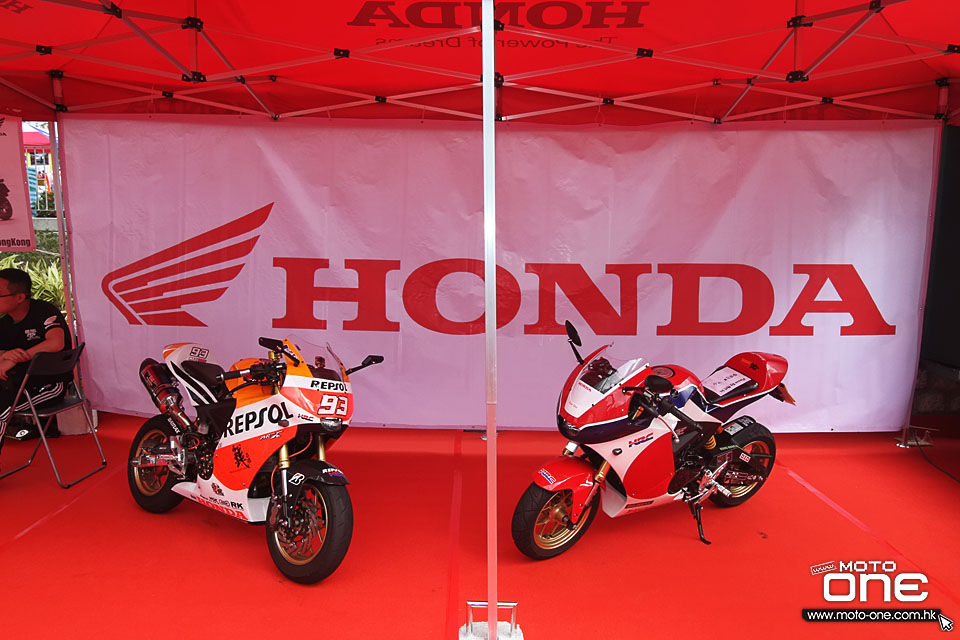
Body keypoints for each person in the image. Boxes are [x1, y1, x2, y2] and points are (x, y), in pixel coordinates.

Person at [0, 268, 72, 456]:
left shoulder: (43, 311)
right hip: (14, 383)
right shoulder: (4, 323)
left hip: (48, 385)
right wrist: (6, 355)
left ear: (20, 297)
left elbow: (56, 342)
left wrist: (18, 357)